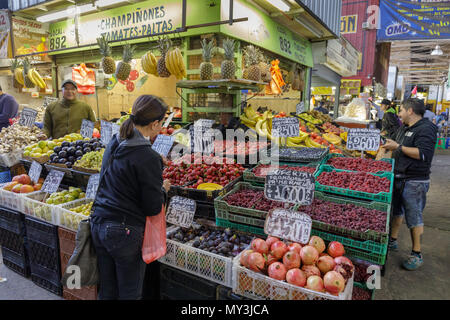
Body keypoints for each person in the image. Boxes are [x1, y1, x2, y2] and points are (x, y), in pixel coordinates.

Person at [90, 95, 171, 300]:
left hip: (99, 223)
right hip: (124, 231)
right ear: (154, 124)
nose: (162, 127)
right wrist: (163, 189)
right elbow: (152, 207)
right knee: (129, 295)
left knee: (107, 292)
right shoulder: (147, 157)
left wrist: (151, 159)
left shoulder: (117, 140)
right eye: (162, 122)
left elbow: (110, 178)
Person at [382, 98, 437, 271]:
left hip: (415, 180)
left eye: (401, 110)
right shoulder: (404, 128)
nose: (399, 114)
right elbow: (395, 146)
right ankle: (393, 240)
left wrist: (397, 147)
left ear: (410, 111)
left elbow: (422, 154)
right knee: (397, 211)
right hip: (398, 176)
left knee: (414, 216)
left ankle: (416, 253)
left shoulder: (427, 129)